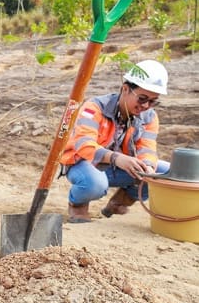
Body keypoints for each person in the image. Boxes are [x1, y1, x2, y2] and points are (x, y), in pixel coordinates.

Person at [61, 59, 171, 223]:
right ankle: (78, 206)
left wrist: (147, 166)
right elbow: (84, 145)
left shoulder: (150, 117)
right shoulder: (95, 107)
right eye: (142, 98)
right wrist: (116, 158)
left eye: (153, 101)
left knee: (164, 173)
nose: (147, 105)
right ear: (125, 89)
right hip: (83, 164)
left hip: (120, 166)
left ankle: (118, 202)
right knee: (95, 184)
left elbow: (147, 149)